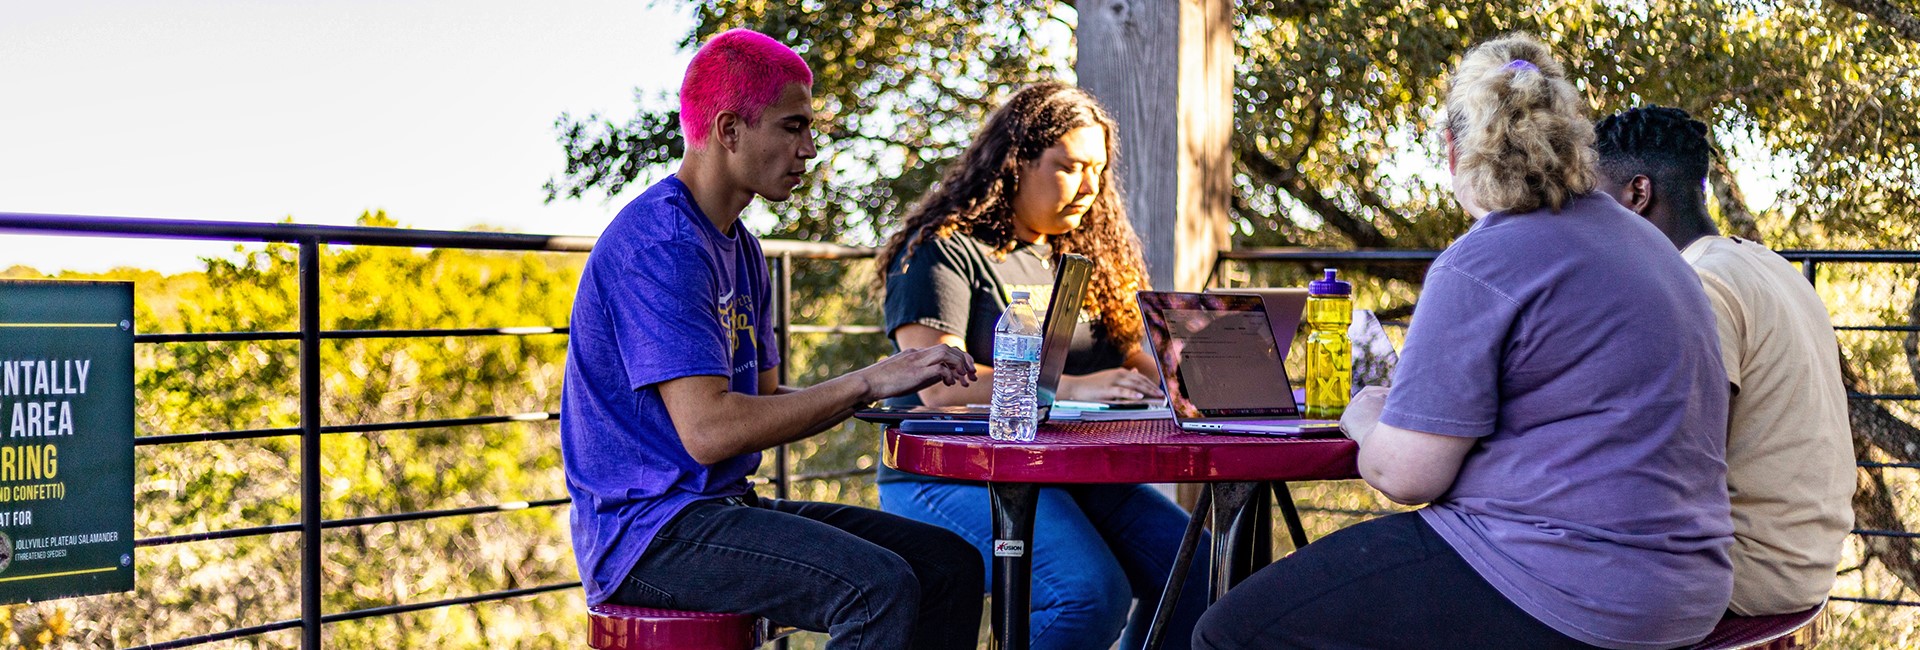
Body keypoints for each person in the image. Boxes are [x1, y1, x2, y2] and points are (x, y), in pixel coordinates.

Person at [1193, 33, 1735, 650]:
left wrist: (1367, 419)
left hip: (1558, 582)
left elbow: (1407, 475)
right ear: (1572, 140)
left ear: (1452, 151)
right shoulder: (1650, 248)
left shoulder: (1483, 261)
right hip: (1685, 589)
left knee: (1228, 634)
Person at [559, 29, 983, 649]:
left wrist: (889, 390)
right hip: (649, 535)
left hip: (719, 507)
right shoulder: (664, 245)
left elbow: (759, 399)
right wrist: (867, 380)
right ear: (729, 131)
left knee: (949, 564)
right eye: (792, 127)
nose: (809, 149)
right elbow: (712, 432)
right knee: (876, 588)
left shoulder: (741, 246)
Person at [874, 81, 1208, 650]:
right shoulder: (943, 248)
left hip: (1064, 469)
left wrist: (1200, 370)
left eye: (1098, 170)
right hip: (952, 470)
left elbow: (1136, 357)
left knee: (1198, 572)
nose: (1089, 187)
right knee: (1088, 593)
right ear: (1015, 163)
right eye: (1069, 167)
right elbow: (934, 386)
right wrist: (1080, 385)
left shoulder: (1087, 256)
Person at [1595, 105, 1854, 616]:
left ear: (1637, 195)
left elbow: (1678, 464)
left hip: (1748, 573)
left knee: (1521, 568)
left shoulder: (1696, 287)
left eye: (1593, 202)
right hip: (1806, 564)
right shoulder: (1767, 266)